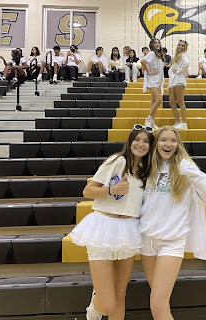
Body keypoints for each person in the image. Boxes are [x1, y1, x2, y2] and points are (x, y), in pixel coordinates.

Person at [70, 124, 154, 320]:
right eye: (137, 139)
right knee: (107, 304)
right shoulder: (117, 161)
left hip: (128, 229)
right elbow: (88, 191)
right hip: (104, 226)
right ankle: (95, 304)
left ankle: (100, 297)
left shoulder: (145, 170)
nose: (140, 144)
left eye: (146, 141)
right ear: (130, 141)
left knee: (120, 294)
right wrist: (111, 190)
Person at [140, 126, 206, 320]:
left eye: (173, 140)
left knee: (156, 305)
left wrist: (190, 171)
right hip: (146, 241)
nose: (168, 144)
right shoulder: (147, 167)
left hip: (171, 242)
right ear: (156, 144)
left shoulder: (185, 167)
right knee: (161, 305)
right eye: (163, 140)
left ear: (178, 144)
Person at [141, 38, 165, 129]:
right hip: (152, 80)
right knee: (159, 99)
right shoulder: (151, 54)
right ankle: (148, 119)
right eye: (155, 43)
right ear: (152, 45)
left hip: (158, 80)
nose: (157, 44)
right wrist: (148, 72)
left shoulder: (160, 55)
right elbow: (142, 61)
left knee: (154, 101)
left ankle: (152, 122)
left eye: (158, 43)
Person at [168, 40, 189, 130]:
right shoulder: (176, 57)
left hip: (179, 81)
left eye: (182, 46)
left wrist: (179, 72)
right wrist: (172, 74)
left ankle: (183, 123)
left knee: (180, 102)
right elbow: (171, 69)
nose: (180, 47)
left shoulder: (183, 55)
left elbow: (186, 64)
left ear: (185, 48)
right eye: (179, 45)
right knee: (171, 102)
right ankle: (177, 122)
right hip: (173, 81)